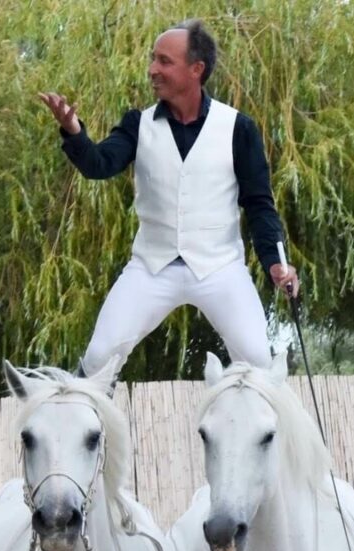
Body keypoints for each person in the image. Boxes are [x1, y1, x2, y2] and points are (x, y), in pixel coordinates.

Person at [39, 19, 299, 377]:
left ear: (196, 69)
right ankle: (96, 431)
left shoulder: (238, 127)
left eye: (164, 61)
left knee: (258, 362)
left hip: (219, 268)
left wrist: (274, 261)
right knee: (98, 358)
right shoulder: (137, 124)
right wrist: (74, 132)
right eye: (153, 59)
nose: (152, 69)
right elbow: (99, 165)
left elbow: (258, 204)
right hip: (151, 267)